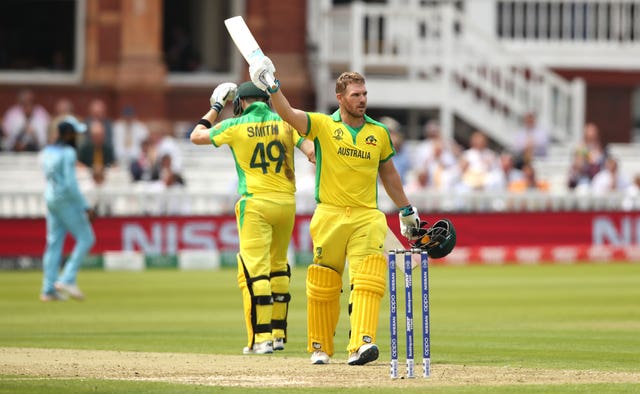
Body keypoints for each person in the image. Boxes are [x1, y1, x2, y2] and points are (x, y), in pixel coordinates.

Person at [249, 58, 423, 365]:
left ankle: (362, 344)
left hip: (367, 216)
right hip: (329, 213)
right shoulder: (323, 125)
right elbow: (288, 115)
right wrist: (272, 85)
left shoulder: (379, 133)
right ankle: (320, 347)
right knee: (323, 285)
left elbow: (390, 174)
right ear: (340, 98)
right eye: (355, 95)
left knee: (369, 278)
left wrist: (406, 209)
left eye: (364, 94)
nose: (362, 100)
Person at [190, 81, 314, 355]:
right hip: (286, 203)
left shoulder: (236, 124)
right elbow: (311, 151)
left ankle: (262, 339)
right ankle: (279, 334)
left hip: (255, 203)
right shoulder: (285, 122)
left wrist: (215, 107)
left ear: (241, 102)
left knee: (255, 271)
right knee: (279, 266)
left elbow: (196, 136)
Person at [39, 115, 96, 301]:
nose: (78, 137)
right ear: (68, 134)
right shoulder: (68, 153)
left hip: (51, 198)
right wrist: (85, 207)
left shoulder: (47, 151)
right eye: (75, 133)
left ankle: (48, 289)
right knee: (86, 238)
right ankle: (67, 278)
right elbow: (71, 185)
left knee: (54, 243)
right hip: (65, 200)